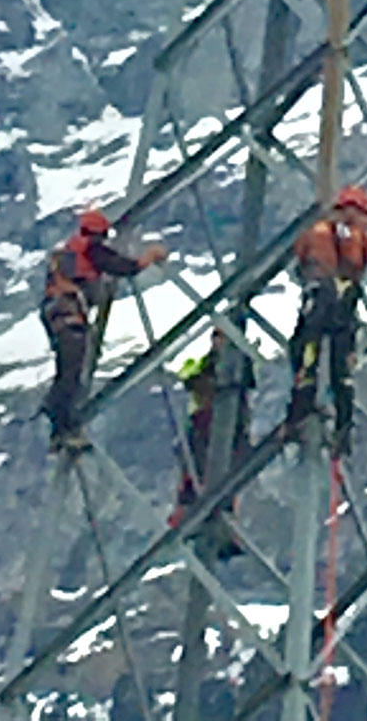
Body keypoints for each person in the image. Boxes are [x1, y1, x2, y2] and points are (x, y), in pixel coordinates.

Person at [40, 208, 167, 453]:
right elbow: (121, 266)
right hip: (69, 316)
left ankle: (58, 422)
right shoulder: (91, 250)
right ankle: (64, 426)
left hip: (55, 313)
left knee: (67, 369)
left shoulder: (69, 252)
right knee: (72, 372)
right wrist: (149, 257)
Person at [283, 184, 367, 457]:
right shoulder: (359, 237)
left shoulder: (318, 230)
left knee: (305, 357)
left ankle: (298, 416)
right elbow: (360, 266)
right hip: (345, 302)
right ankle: (342, 431)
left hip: (319, 297)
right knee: (342, 371)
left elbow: (301, 256)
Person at [169, 327, 254, 554]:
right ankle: (192, 511)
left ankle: (221, 521)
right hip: (203, 422)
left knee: (227, 473)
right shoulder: (207, 363)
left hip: (226, 424)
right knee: (196, 467)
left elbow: (242, 387)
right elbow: (190, 379)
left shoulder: (240, 364)